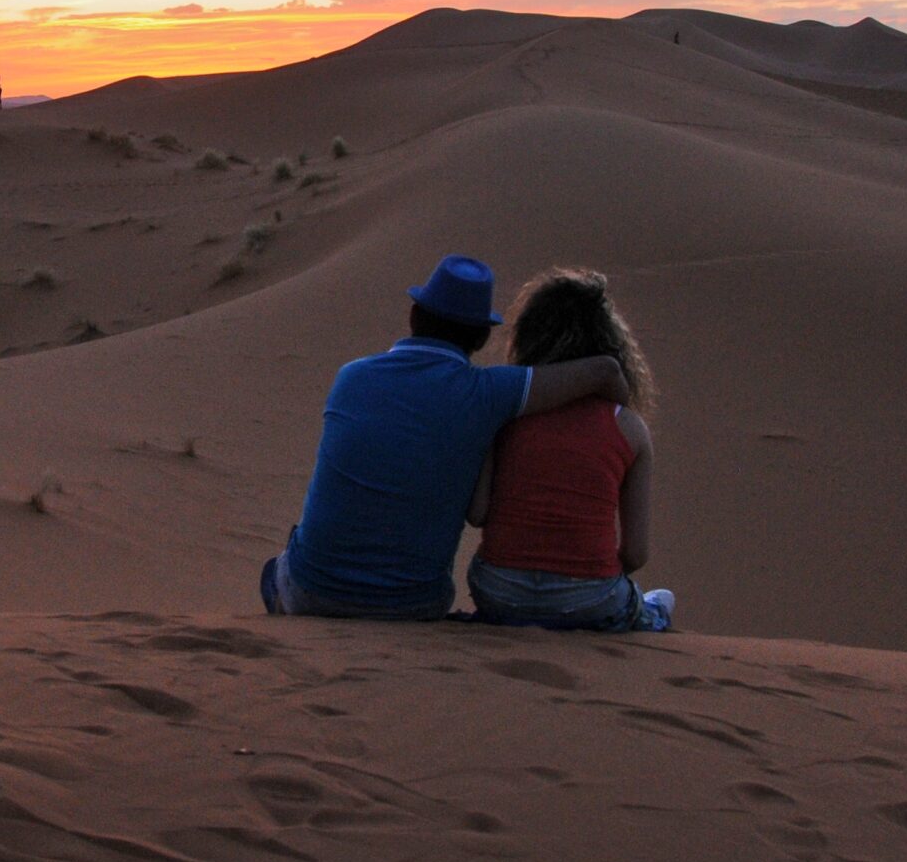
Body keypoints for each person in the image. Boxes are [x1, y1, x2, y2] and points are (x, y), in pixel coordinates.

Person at [261, 255, 631, 620]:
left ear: (413, 315)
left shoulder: (351, 377)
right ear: (483, 336)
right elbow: (604, 371)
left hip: (312, 593)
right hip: (414, 605)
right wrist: (618, 421)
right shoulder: (488, 394)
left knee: (275, 571)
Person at [465, 271, 671, 631]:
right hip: (588, 599)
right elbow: (636, 553)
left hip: (498, 592)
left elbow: (479, 512)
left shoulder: (506, 414)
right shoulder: (630, 428)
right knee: (657, 602)